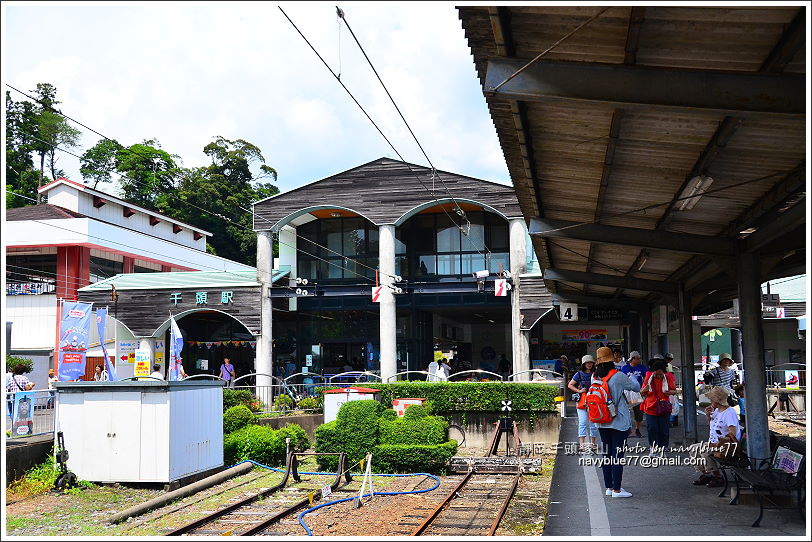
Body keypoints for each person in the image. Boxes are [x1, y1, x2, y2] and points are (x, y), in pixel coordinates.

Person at [592, 347, 640, 498]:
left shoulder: (595, 377)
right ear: (612, 360)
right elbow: (636, 387)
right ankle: (617, 490)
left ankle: (608, 487)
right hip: (618, 421)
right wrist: (632, 377)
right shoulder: (619, 376)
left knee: (606, 454)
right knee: (617, 455)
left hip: (601, 420)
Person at [690, 386, 741, 488]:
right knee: (693, 449)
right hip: (714, 443)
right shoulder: (716, 411)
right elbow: (713, 427)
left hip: (726, 445)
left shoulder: (729, 412)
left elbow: (732, 433)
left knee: (705, 451)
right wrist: (708, 416)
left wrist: (719, 444)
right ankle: (707, 474)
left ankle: (717, 476)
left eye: (711, 398)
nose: (710, 400)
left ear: (717, 400)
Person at [640, 359, 677, 455]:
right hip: (650, 407)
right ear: (653, 372)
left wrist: (669, 392)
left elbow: (674, 391)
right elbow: (642, 393)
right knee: (652, 428)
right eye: (656, 374)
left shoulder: (668, 377)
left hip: (664, 407)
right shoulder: (649, 378)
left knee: (664, 429)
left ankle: (662, 448)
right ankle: (653, 448)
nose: (658, 376)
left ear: (664, 372)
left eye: (660, 374)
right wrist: (645, 388)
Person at [567, 354, 598, 453]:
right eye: (587, 363)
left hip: (594, 401)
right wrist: (579, 391)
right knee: (583, 422)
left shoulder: (596, 373)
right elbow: (570, 385)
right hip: (582, 401)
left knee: (593, 423)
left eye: (590, 362)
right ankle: (581, 445)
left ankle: (593, 444)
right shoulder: (579, 374)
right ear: (583, 364)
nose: (589, 364)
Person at [621, 351, 647, 437]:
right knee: (626, 411)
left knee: (639, 412)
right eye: (638, 358)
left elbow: (646, 378)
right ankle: (627, 429)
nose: (639, 360)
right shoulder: (625, 368)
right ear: (632, 359)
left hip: (638, 392)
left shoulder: (642, 368)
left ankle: (637, 429)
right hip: (627, 392)